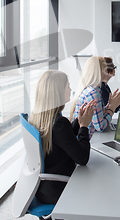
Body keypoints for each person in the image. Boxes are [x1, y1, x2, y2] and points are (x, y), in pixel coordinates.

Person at [29, 70, 96, 205]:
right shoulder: (59, 123)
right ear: (58, 92)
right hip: (58, 187)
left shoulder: (40, 117)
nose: (71, 89)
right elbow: (82, 158)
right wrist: (84, 127)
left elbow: (62, 138)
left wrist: (78, 120)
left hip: (43, 187)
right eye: (68, 86)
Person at [71, 56, 120, 138]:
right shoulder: (94, 93)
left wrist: (110, 104)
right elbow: (100, 127)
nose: (109, 71)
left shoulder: (91, 89)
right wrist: (112, 107)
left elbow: (98, 114)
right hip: (84, 141)